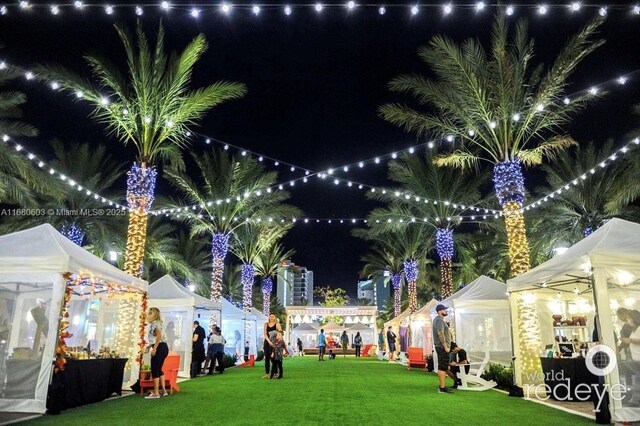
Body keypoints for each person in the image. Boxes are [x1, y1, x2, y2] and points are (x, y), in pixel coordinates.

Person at [145, 307, 169, 399]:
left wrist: (154, 349)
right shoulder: (159, 323)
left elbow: (158, 337)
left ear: (154, 314)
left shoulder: (155, 324)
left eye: (150, 313)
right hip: (163, 347)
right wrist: (150, 345)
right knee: (159, 369)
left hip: (160, 347)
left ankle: (156, 393)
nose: (148, 314)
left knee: (155, 369)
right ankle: (163, 390)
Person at [433, 304, 454, 393]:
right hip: (442, 347)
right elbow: (440, 333)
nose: (446, 311)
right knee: (442, 367)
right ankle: (442, 388)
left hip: (441, 347)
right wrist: (445, 346)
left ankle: (443, 386)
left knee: (443, 366)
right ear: (439, 311)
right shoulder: (439, 320)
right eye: (444, 310)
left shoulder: (439, 320)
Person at [263, 313, 282, 378]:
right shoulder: (266, 324)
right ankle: (267, 373)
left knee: (273, 358)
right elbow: (265, 334)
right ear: (269, 317)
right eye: (270, 316)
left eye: (273, 316)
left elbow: (280, 333)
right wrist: (268, 341)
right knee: (267, 357)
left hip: (274, 342)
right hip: (267, 341)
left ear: (275, 317)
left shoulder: (277, 324)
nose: (271, 317)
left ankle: (275, 373)